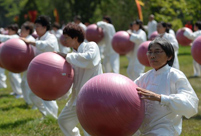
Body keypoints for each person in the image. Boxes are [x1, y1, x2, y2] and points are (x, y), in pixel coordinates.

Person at [133, 37, 198, 136]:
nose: (152, 56)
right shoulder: (145, 77)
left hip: (165, 130)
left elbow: (191, 103)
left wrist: (161, 98)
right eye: (150, 52)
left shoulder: (175, 75)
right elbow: (129, 91)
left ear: (169, 56)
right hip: (143, 130)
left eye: (157, 52)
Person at [56, 23, 103, 136]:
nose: (64, 41)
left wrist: (66, 56)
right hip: (77, 98)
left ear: (75, 38)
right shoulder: (73, 55)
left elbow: (90, 60)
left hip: (93, 97)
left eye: (67, 38)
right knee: (63, 121)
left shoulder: (91, 46)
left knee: (89, 128)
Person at [21, 15, 59, 119]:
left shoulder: (51, 37)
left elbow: (48, 45)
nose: (35, 28)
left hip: (51, 71)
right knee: (33, 95)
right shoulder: (39, 38)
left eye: (37, 26)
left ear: (44, 27)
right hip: (40, 71)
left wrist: (32, 42)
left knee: (47, 95)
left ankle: (52, 117)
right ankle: (47, 115)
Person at [0, 24, 23, 98]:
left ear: (15, 31)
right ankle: (15, 91)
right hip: (11, 59)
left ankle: (20, 93)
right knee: (11, 75)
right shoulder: (12, 37)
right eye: (8, 30)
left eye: (11, 30)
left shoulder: (15, 37)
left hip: (16, 60)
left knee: (15, 76)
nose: (9, 31)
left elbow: (5, 38)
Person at [20, 21, 36, 106]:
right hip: (27, 65)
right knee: (23, 83)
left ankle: (32, 103)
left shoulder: (30, 40)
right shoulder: (25, 39)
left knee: (28, 84)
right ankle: (28, 102)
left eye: (23, 30)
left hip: (31, 66)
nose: (21, 32)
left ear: (28, 30)